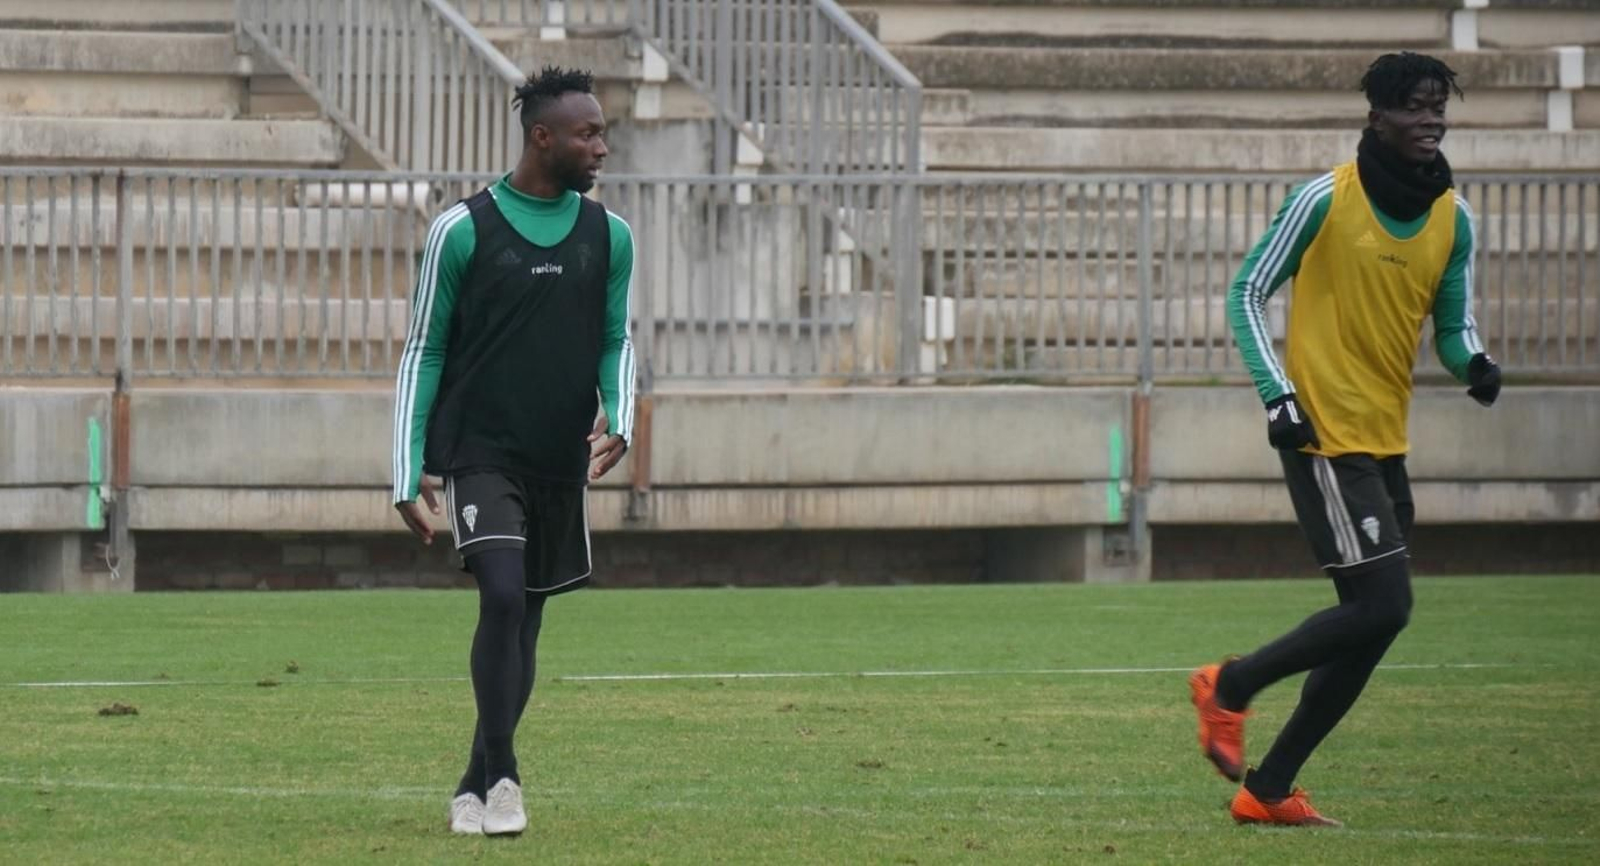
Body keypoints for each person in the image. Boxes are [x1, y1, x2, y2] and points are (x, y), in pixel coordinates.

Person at [1189, 52, 1502, 827]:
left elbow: (1452, 327)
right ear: (1376, 118)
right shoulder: (1325, 199)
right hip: (1323, 434)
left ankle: (1267, 790)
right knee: (1385, 605)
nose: (1431, 119)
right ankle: (1229, 685)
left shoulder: (1453, 219)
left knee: (1370, 623)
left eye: (1439, 107)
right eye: (1414, 107)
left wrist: (1476, 365)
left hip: (1385, 440)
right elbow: (1247, 290)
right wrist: (1278, 397)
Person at [391, 66, 635, 837]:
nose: (602, 146)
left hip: (555, 455)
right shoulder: (461, 229)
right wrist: (404, 469)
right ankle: (506, 778)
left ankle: (472, 783)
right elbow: (423, 350)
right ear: (542, 136)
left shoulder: (611, 235)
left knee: (523, 622)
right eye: (588, 133)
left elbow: (614, 338)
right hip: (479, 452)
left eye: (602, 132)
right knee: (499, 595)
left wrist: (622, 413)